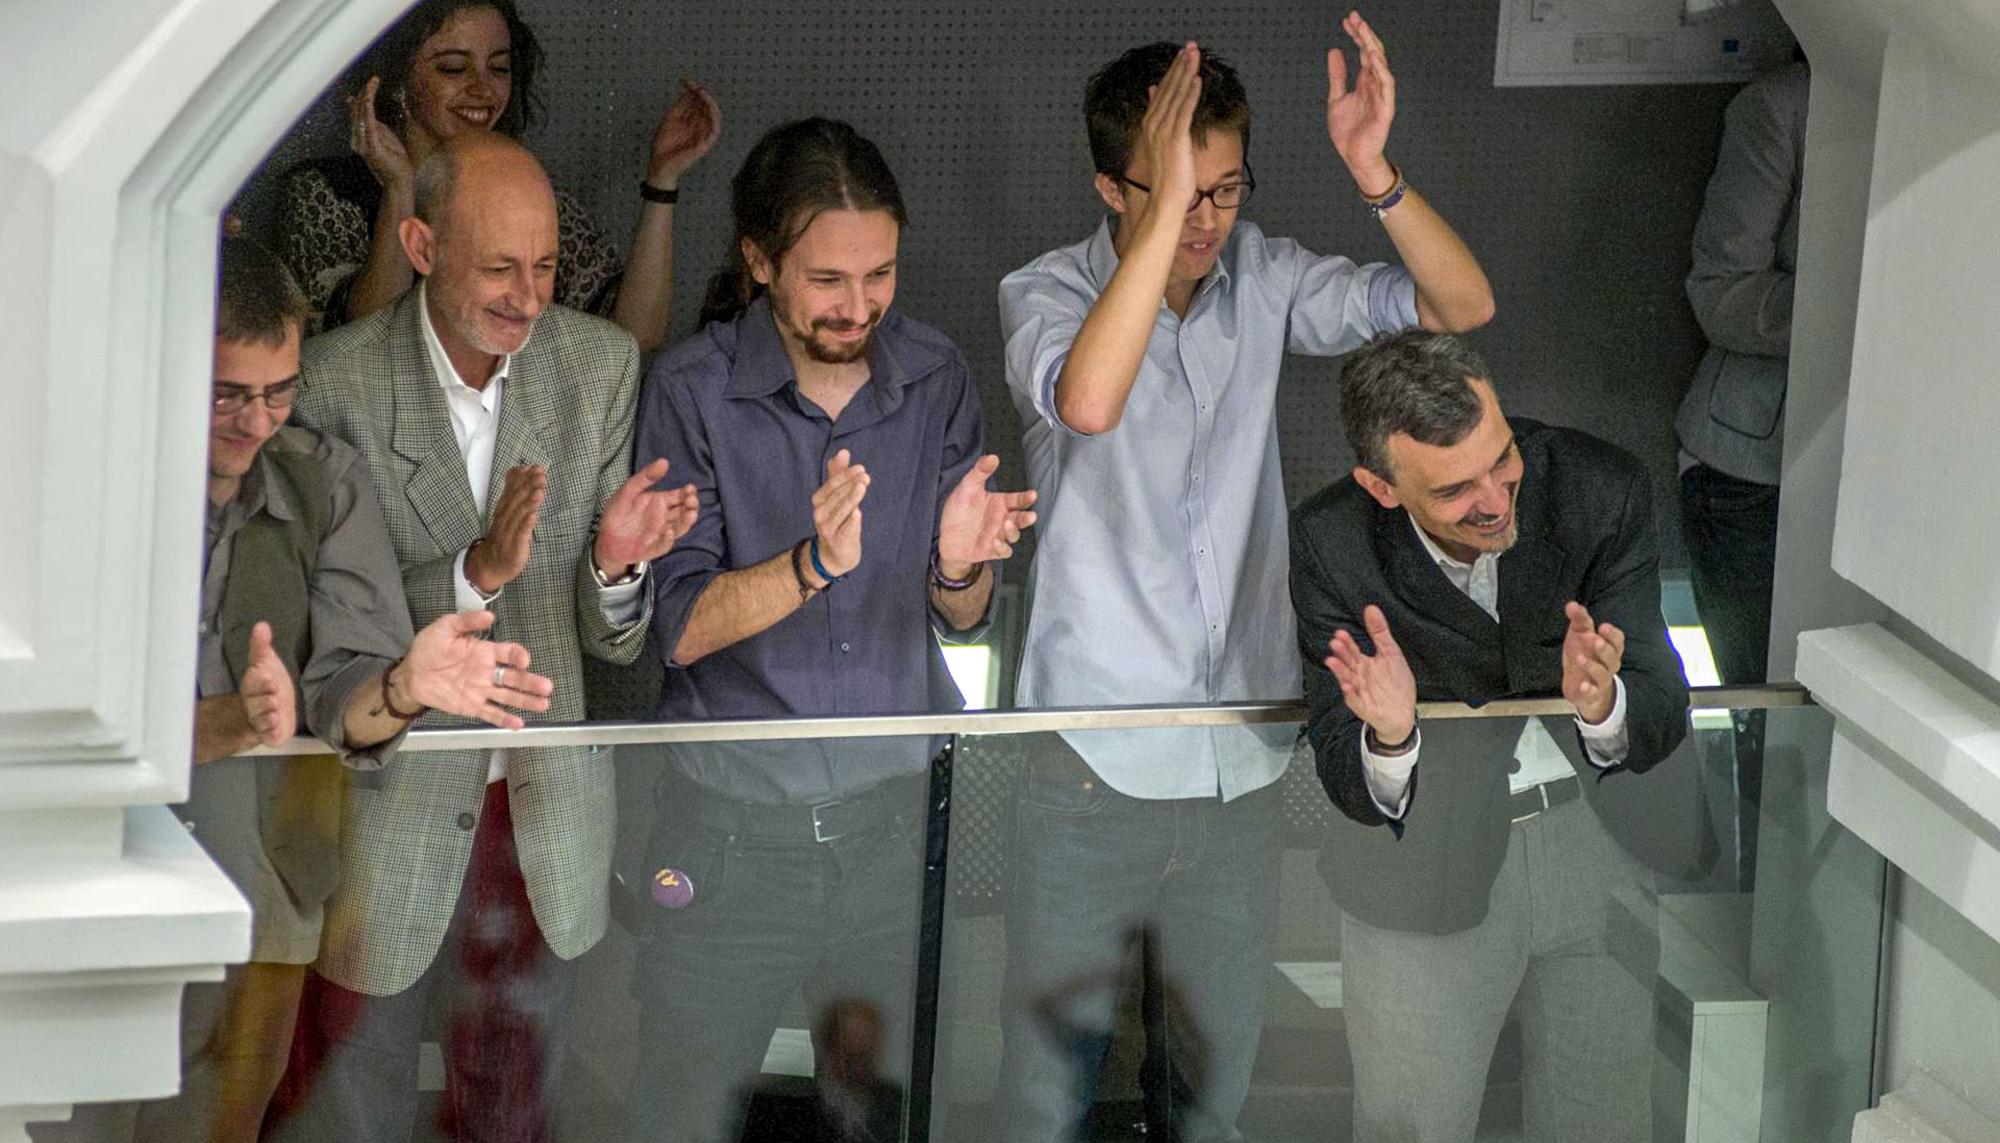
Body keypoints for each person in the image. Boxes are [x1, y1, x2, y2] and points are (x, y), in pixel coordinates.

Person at [994, 15, 1494, 1138]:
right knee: (1043, 1099)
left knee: (1212, 1103)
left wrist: (1375, 176)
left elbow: (1459, 311)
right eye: (1183, 191)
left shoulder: (1262, 275)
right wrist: (1159, 217)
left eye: (1226, 191)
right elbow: (1087, 401)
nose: (1209, 221)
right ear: (1110, 187)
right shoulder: (1041, 292)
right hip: (1088, 774)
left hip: (1242, 768)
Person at [268, 133, 699, 1142]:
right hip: (382, 804)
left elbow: (617, 645)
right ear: (418, 244)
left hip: (541, 810)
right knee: (355, 1098)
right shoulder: (334, 385)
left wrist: (615, 563)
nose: (529, 293)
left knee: (513, 1108)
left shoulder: (594, 367)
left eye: (545, 264)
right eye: (499, 266)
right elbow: (323, 634)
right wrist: (474, 573)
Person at [625, 117, 1036, 1142]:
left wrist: (955, 568)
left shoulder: (934, 376)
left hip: (893, 836)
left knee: (883, 1118)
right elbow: (671, 630)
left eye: (879, 275)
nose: (859, 306)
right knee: (684, 1112)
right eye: (826, 280)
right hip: (726, 846)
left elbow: (965, 623)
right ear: (759, 263)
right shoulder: (690, 391)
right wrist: (811, 565)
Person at [134, 237, 552, 1143]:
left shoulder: (324, 479)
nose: (257, 421)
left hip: (262, 889)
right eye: (228, 394)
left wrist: (405, 684)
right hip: (110, 880)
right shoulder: (95, 483)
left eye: (280, 391)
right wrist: (223, 722)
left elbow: (347, 695)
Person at [1292, 330, 1707, 1142]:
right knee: (1412, 1126)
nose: (1494, 497)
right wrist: (1391, 733)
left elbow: (1660, 702)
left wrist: (1602, 704)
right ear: (1381, 485)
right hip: (1424, 862)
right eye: (1454, 489)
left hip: (1601, 845)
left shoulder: (1599, 486)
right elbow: (1344, 766)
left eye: (1502, 458)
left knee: (1605, 1121)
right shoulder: (1330, 540)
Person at [279, 0, 720, 348]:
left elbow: (632, 337)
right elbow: (363, 342)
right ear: (395, 77)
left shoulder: (528, 197)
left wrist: (663, 180)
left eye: (500, 67)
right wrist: (399, 188)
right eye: (453, 68)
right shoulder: (326, 194)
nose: (483, 87)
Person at [1676, 59, 1807, 885]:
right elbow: (1720, 294)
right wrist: (1862, 301)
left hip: (1891, 461)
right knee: (1770, 718)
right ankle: (1767, 923)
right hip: (1748, 467)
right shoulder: (1781, 109)